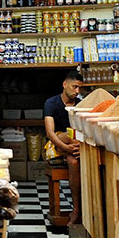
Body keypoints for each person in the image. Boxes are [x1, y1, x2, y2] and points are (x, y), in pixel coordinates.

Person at [43, 70, 84, 225]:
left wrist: (80, 149)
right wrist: (66, 148)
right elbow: (50, 133)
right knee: (68, 134)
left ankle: (78, 209)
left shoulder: (81, 105)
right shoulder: (51, 103)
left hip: (77, 146)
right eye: (74, 87)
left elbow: (85, 132)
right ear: (65, 84)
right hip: (58, 144)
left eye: (79, 88)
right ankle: (77, 210)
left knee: (74, 162)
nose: (77, 91)